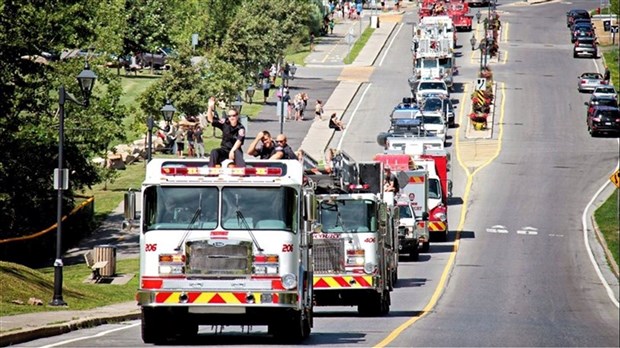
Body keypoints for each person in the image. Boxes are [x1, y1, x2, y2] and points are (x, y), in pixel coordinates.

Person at [206, 97, 246, 167]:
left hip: (235, 150)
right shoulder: (225, 123)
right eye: (229, 116)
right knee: (214, 152)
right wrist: (210, 107)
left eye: (233, 115)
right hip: (224, 150)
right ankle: (211, 172)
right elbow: (210, 119)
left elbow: (239, 141)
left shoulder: (241, 128)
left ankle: (242, 173)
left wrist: (232, 151)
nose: (231, 118)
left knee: (238, 153)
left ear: (237, 116)